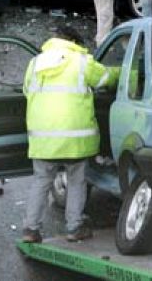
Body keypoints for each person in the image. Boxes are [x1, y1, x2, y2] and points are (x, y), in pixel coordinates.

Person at [21, 31, 120, 244]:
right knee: (76, 180)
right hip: (75, 139)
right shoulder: (81, 61)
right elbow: (107, 78)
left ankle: (30, 229)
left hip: (43, 138)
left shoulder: (35, 63)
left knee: (41, 181)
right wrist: (132, 71)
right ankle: (74, 227)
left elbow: (27, 91)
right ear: (74, 42)